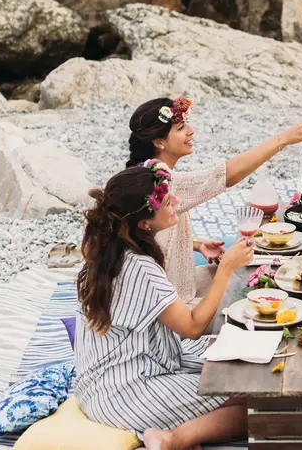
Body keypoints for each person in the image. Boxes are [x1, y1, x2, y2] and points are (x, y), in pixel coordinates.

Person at [75, 162, 255, 449]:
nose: (176, 202)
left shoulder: (107, 253)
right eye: (166, 201)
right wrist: (226, 269)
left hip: (102, 378)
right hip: (126, 392)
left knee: (238, 355)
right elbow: (193, 326)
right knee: (261, 404)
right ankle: (172, 439)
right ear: (144, 224)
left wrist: (197, 245)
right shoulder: (139, 268)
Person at [127, 97, 302, 304]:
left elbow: (147, 235)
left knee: (249, 274)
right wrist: (283, 139)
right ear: (159, 142)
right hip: (169, 299)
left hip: (181, 280)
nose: (191, 131)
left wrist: (196, 244)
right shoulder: (159, 180)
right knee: (251, 292)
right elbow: (224, 176)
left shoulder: (145, 171)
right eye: (181, 127)